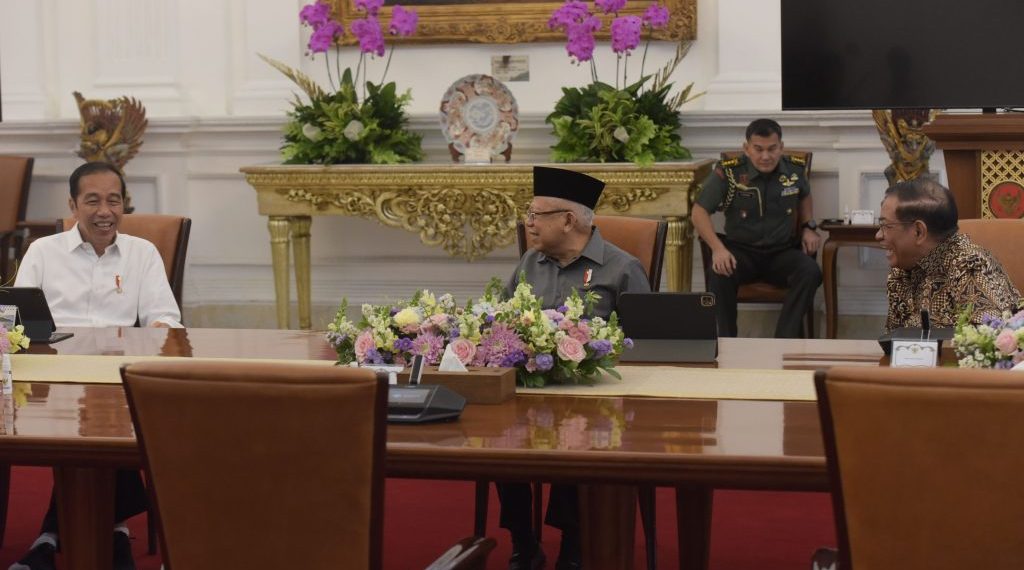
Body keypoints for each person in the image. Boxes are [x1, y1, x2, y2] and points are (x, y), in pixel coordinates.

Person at [10, 161, 182, 570]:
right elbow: (12, 318)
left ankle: (50, 538)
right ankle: (114, 531)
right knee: (77, 426)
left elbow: (167, 320)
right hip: (52, 381)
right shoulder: (43, 252)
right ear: (73, 205)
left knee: (103, 420)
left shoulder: (142, 254)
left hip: (115, 379)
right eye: (92, 200)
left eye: (114, 200)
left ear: (124, 205)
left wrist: (157, 328)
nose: (105, 210)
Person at [497, 166, 651, 570]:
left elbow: (648, 345)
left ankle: (574, 544)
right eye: (527, 215)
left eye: (536, 215)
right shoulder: (530, 263)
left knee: (577, 433)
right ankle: (523, 541)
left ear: (568, 220)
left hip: (596, 400)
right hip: (529, 393)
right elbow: (498, 323)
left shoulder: (622, 268)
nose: (527, 224)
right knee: (496, 438)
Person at [692, 118, 822, 338]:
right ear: (747, 148)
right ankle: (725, 342)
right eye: (758, 149)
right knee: (718, 275)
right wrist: (717, 249)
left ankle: (784, 341)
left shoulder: (794, 169)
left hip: (781, 253)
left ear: (781, 147)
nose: (765, 156)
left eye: (772, 149)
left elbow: (804, 195)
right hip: (741, 252)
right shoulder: (730, 173)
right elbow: (699, 211)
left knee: (810, 272)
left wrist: (808, 226)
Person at [878, 178, 1021, 331]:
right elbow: (892, 342)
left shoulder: (969, 266)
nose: (879, 235)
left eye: (886, 226)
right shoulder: (902, 269)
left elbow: (987, 343)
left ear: (919, 231)